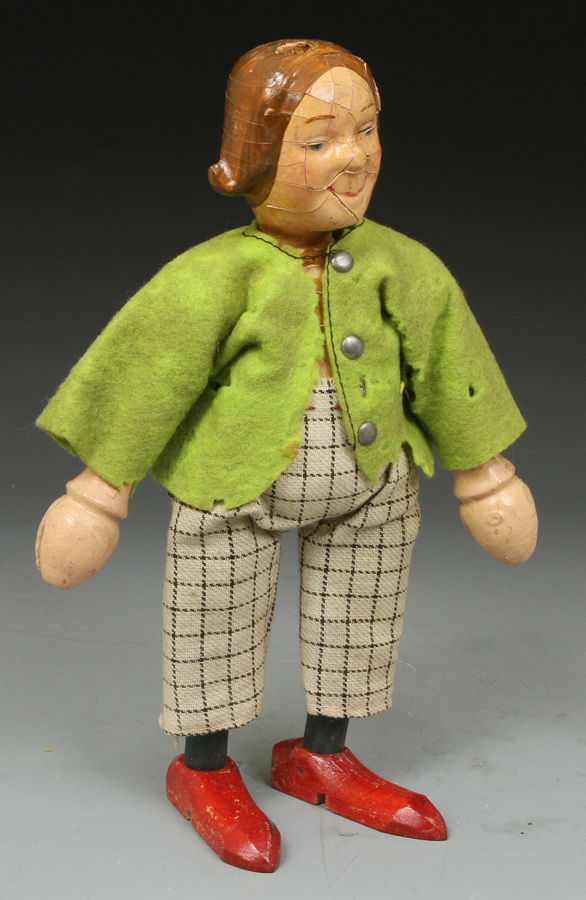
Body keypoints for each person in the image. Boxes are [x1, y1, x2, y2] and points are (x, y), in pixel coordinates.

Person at [35, 39, 537, 873]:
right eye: (320, 140)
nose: (355, 156)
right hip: (235, 485)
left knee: (360, 615)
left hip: (370, 482)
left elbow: (450, 363)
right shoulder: (213, 276)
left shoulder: (405, 266)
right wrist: (98, 491)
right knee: (212, 620)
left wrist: (485, 473)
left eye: (366, 130)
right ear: (253, 158)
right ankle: (203, 769)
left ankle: (321, 754)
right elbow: (149, 373)